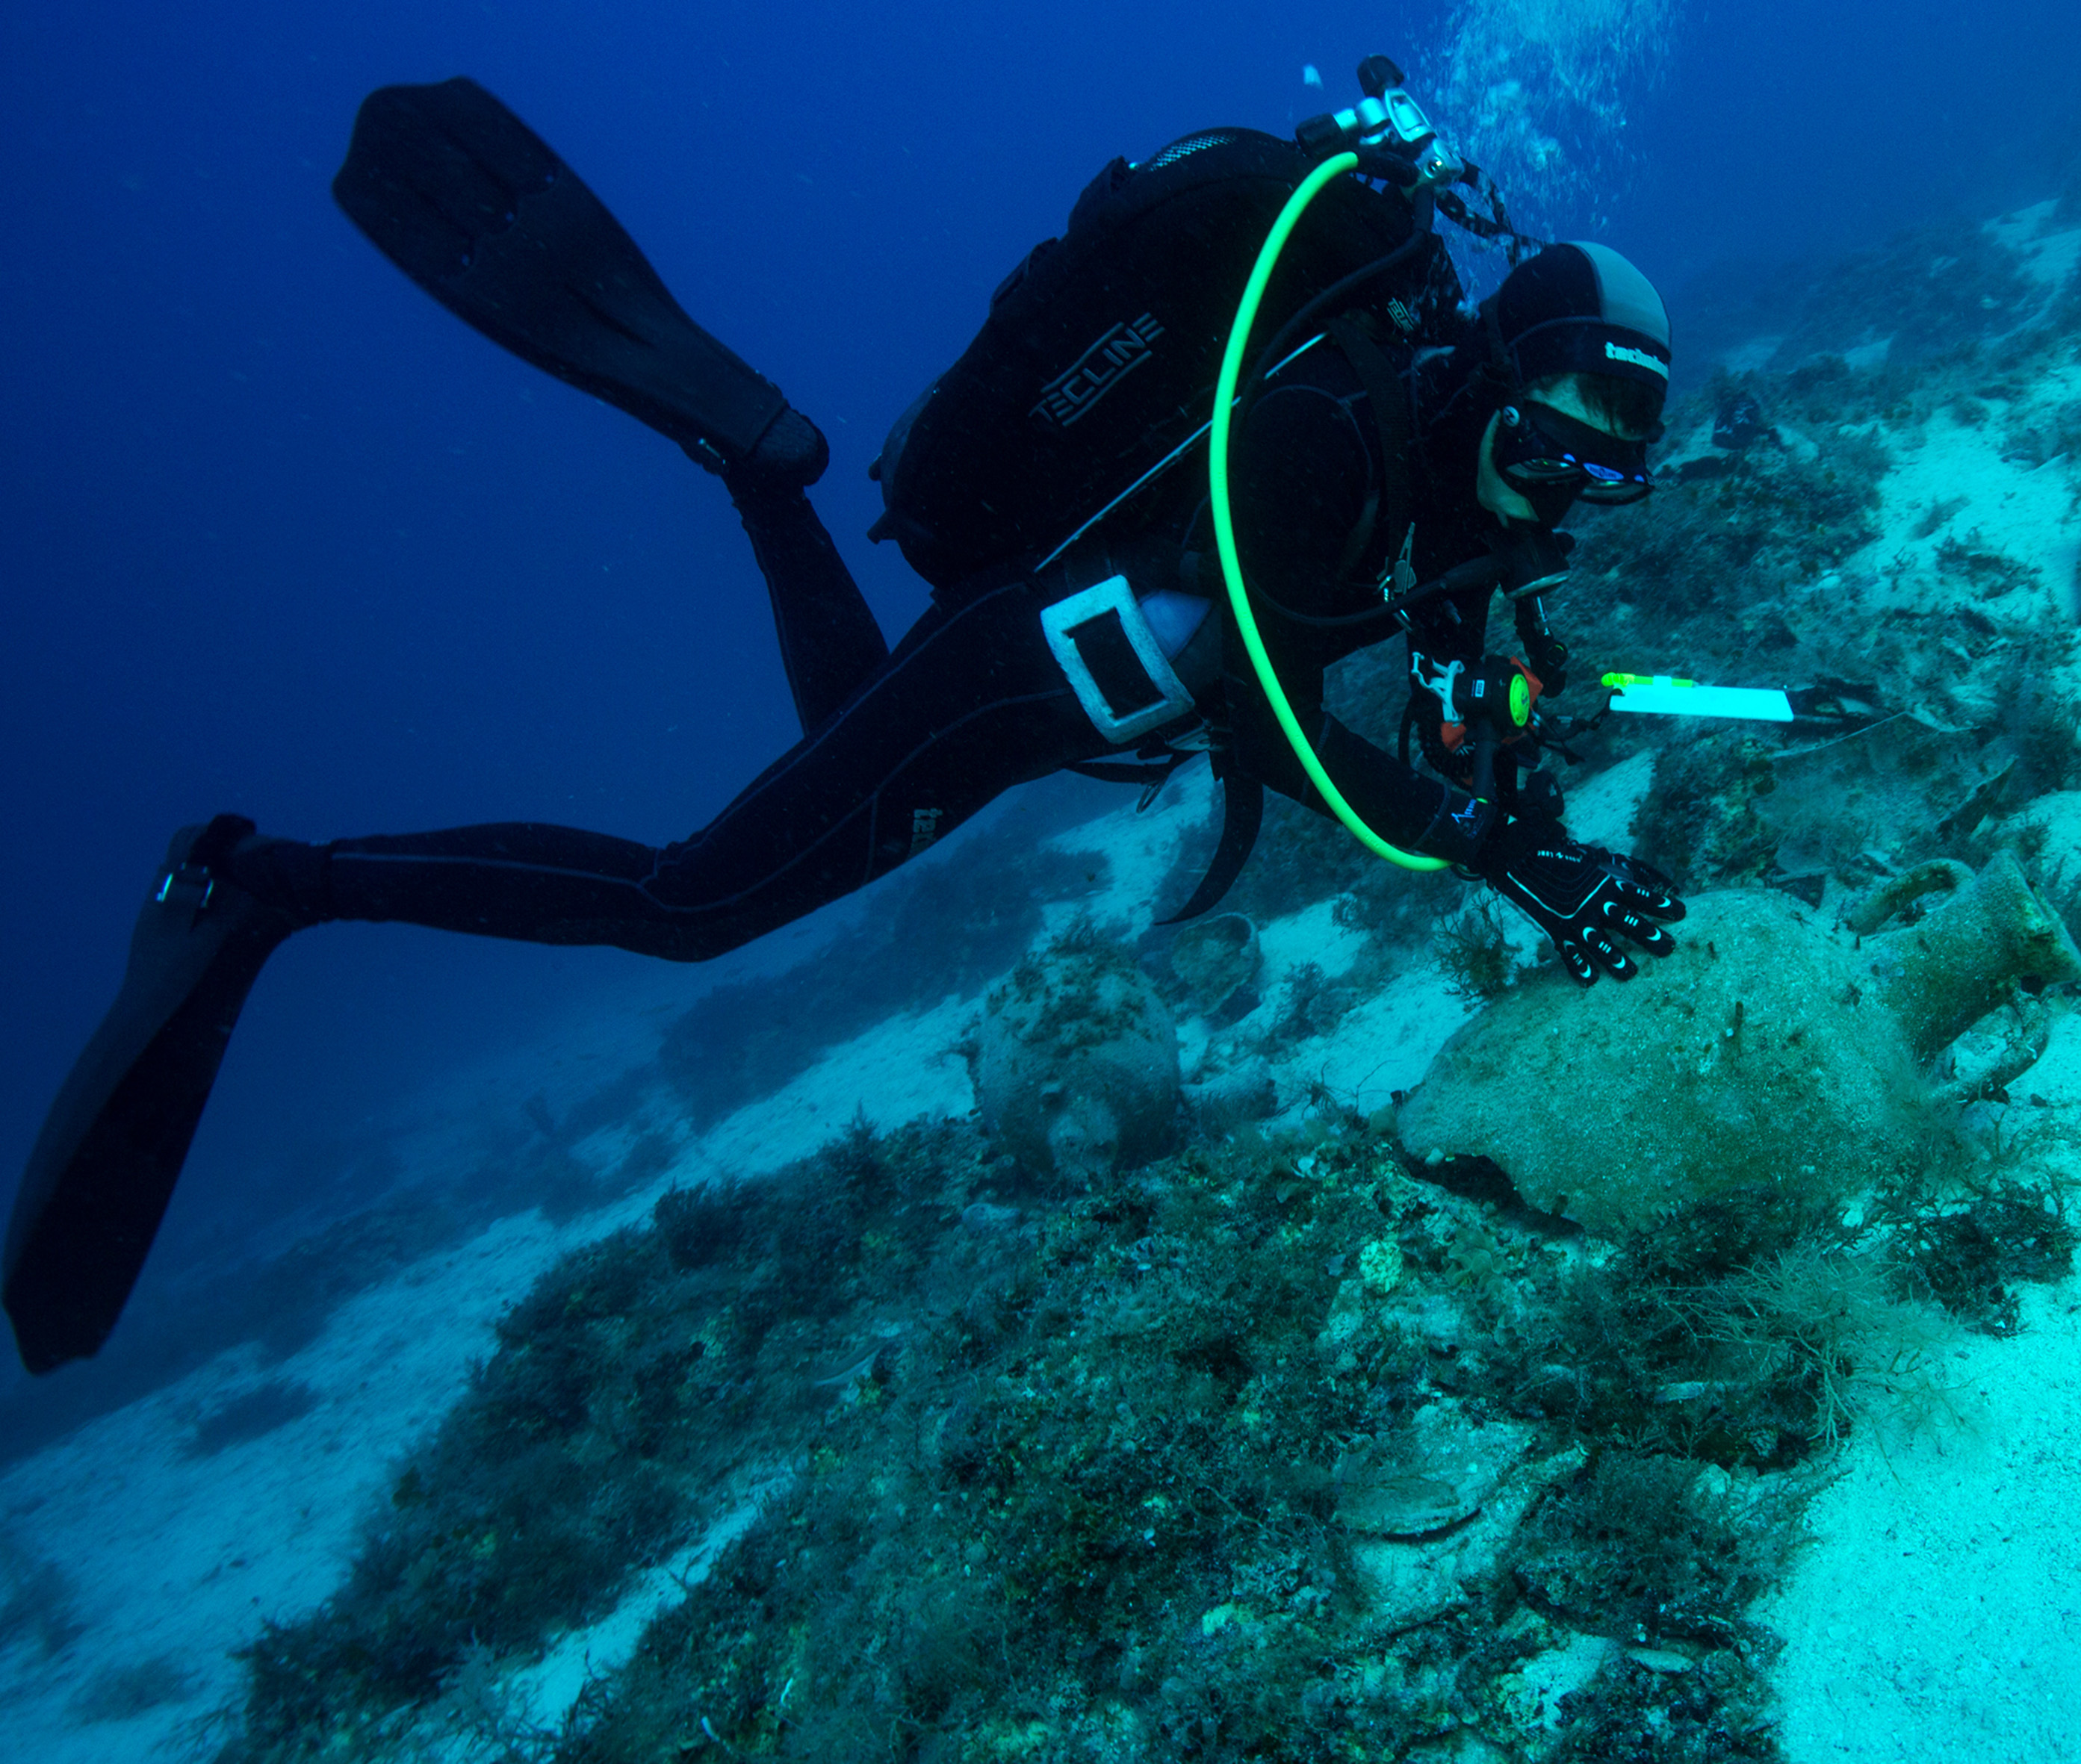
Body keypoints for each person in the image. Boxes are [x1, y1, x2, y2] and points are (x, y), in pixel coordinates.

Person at [4, 72, 1686, 1373]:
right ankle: (271, 881)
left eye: (1624, 454)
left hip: (1029, 687)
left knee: (830, 727)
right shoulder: (1334, 429)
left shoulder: (1452, 494)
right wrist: (1499, 860)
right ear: (1498, 358)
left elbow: (1474, 705)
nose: (1582, 479)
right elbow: (1258, 694)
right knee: (689, 904)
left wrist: (1527, 820)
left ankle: (760, 461)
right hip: (1013, 677)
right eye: (1572, 422)